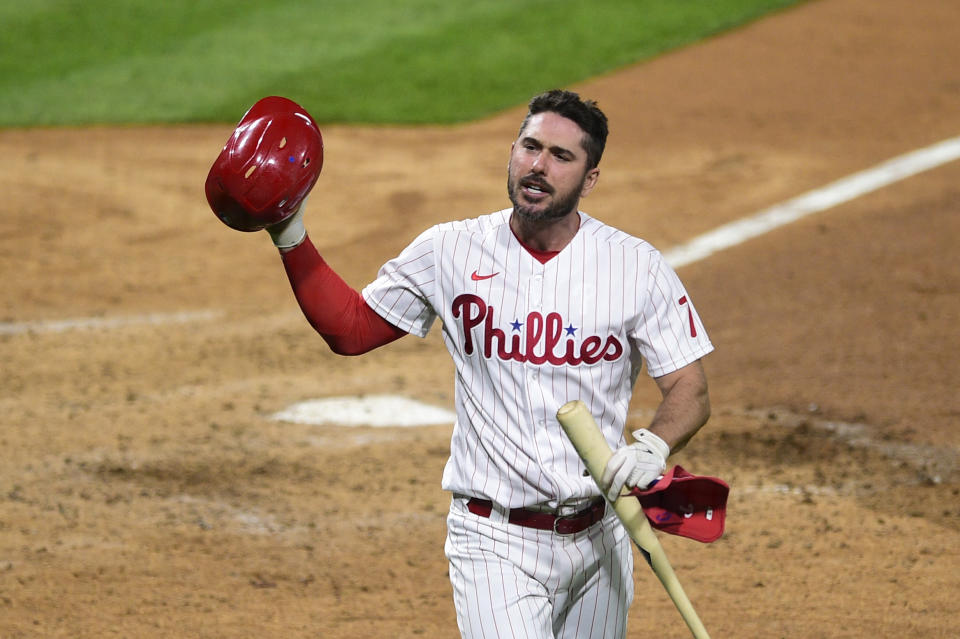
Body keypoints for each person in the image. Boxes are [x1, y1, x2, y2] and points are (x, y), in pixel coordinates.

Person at [255, 89, 713, 638]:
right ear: (513, 150)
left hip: (602, 537)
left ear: (590, 179)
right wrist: (290, 234)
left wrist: (654, 446)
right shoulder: (450, 250)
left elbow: (690, 386)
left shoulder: (635, 266)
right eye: (530, 147)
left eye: (561, 157)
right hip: (496, 541)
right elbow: (351, 329)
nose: (538, 166)